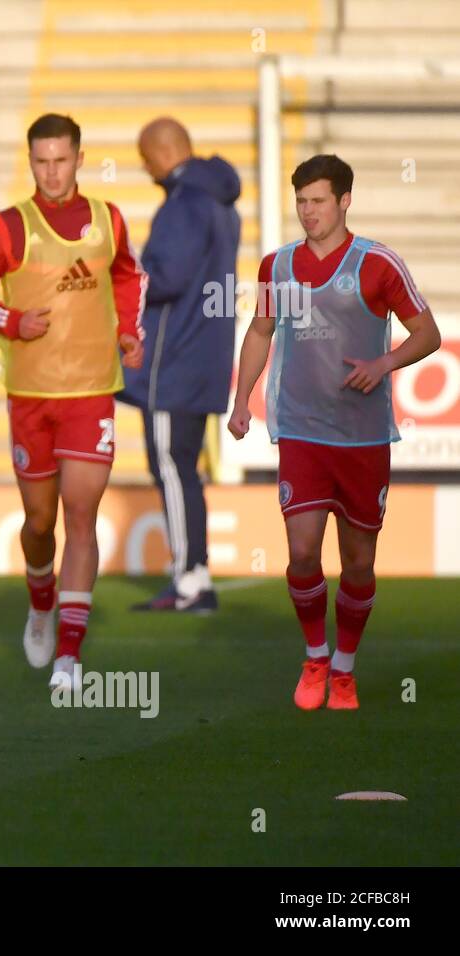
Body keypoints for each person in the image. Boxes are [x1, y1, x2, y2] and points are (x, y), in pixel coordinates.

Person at [228, 154, 439, 710]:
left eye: (319, 200)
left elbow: (428, 333)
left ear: (345, 201)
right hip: (300, 430)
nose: (308, 211)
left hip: (363, 437)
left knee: (360, 560)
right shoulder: (277, 265)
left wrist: (384, 364)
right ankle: (315, 655)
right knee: (301, 552)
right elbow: (260, 330)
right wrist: (241, 401)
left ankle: (344, 667)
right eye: (301, 201)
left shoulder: (377, 264)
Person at [0, 113, 145, 691]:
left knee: (81, 513)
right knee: (40, 521)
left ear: (79, 158)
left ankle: (70, 652)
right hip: (31, 396)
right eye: (41, 161)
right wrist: (13, 321)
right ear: (31, 161)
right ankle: (41, 601)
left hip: (91, 391)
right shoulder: (9, 226)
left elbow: (128, 276)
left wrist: (128, 330)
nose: (52, 171)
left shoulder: (107, 219)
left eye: (61, 160)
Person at [120, 117, 240, 613]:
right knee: (182, 468)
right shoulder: (218, 202)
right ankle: (196, 574)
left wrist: (125, 269)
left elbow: (165, 278)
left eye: (146, 155)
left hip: (175, 364)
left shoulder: (184, 203)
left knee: (171, 467)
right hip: (203, 358)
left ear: (164, 150)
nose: (144, 165)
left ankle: (190, 579)